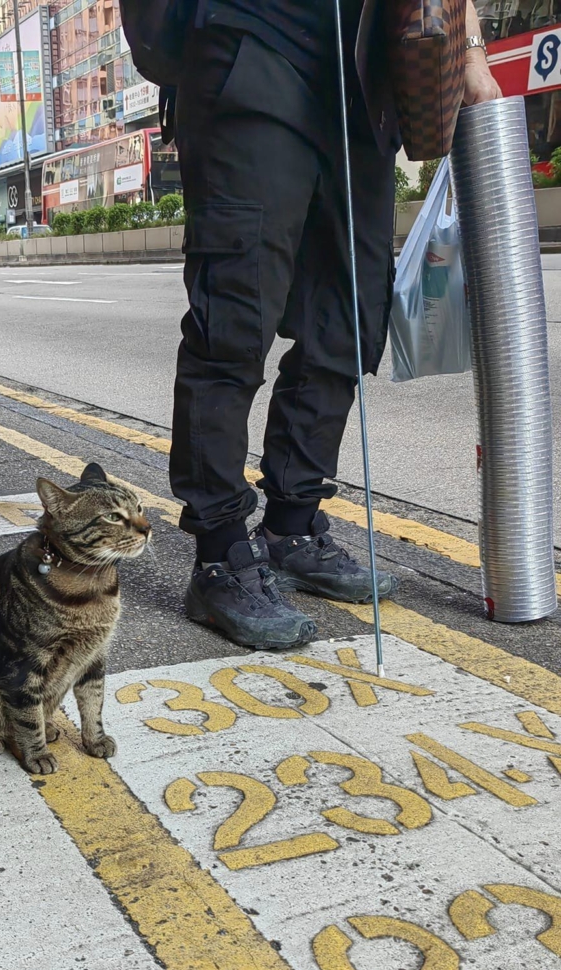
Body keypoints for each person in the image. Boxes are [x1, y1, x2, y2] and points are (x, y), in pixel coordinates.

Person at [170, 0, 502, 649]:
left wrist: (471, 51)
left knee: (351, 318)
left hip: (364, 78)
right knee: (234, 319)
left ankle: (292, 525)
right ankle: (220, 556)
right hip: (254, 49)